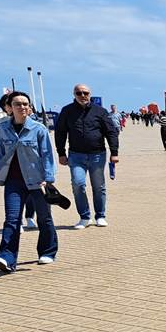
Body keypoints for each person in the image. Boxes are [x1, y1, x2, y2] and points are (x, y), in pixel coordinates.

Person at [0, 91, 59, 272]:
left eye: (25, 104)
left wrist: (48, 179)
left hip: (37, 181)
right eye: (17, 104)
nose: (22, 107)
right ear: (10, 108)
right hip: (13, 182)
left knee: (44, 218)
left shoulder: (39, 129)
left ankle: (48, 251)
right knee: (12, 220)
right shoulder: (3, 129)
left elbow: (47, 155)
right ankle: (6, 258)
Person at [55, 83, 119, 229]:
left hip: (97, 155)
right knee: (78, 184)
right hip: (76, 155)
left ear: (90, 94)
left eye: (85, 93)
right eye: (79, 93)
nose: (82, 95)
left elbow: (111, 132)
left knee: (98, 186)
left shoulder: (100, 111)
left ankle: (100, 216)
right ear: (74, 95)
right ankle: (84, 217)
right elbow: (60, 132)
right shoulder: (67, 111)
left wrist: (114, 152)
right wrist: (61, 153)